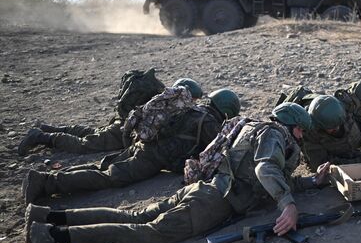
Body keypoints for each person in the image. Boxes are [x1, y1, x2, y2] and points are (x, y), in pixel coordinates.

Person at [25, 102, 330, 243]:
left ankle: (47, 215)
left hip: (204, 188)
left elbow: (261, 173)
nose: (302, 136)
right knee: (146, 234)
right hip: (213, 202)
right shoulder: (276, 136)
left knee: (132, 215)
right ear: (292, 125)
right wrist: (288, 204)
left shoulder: (253, 127)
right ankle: (52, 236)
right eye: (302, 130)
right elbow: (266, 169)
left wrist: (309, 182)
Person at [22, 85, 241, 204]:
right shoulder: (210, 123)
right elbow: (213, 155)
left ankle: (48, 178)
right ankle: (46, 183)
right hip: (152, 157)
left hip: (142, 141)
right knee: (110, 176)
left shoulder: (192, 108)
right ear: (228, 111)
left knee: (102, 166)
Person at [15, 74, 200, 156]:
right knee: (85, 145)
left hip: (124, 122)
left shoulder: (165, 99)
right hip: (126, 129)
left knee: (93, 132)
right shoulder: (176, 106)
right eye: (196, 98)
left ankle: (51, 129)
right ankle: (40, 136)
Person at [279, 79, 361, 171]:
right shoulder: (309, 131)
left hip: (354, 137)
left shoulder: (345, 103)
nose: (337, 129)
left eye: (339, 124)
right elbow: (320, 165)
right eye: (331, 128)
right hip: (336, 151)